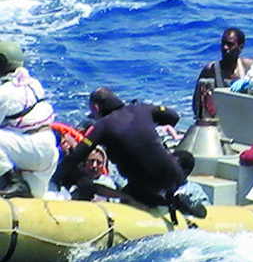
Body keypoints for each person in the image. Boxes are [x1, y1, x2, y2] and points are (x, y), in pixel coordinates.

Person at [54, 87, 184, 208]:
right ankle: (176, 199)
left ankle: (160, 203)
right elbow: (173, 116)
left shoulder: (102, 126)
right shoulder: (142, 108)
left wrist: (56, 176)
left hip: (146, 186)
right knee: (184, 158)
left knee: (124, 194)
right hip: (174, 175)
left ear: (96, 108)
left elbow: (77, 155)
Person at [0, 41, 59, 199]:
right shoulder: (32, 83)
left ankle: (14, 182)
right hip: (49, 152)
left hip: (32, 151)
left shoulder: (5, 92)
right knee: (33, 199)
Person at [172, 149, 210, 217]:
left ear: (185, 172)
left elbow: (206, 213)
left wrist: (188, 203)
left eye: (173, 167)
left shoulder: (195, 192)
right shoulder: (158, 186)